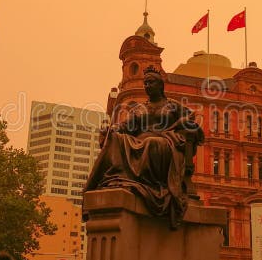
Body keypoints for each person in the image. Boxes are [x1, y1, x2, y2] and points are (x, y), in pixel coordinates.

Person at [84, 66, 203, 228]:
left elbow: (191, 118)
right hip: (138, 143)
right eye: (145, 83)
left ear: (160, 85)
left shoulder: (173, 106)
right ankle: (110, 181)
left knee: (151, 143)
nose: (147, 86)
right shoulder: (139, 109)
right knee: (116, 138)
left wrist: (184, 123)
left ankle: (136, 179)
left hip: (165, 143)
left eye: (151, 82)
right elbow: (125, 127)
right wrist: (111, 130)